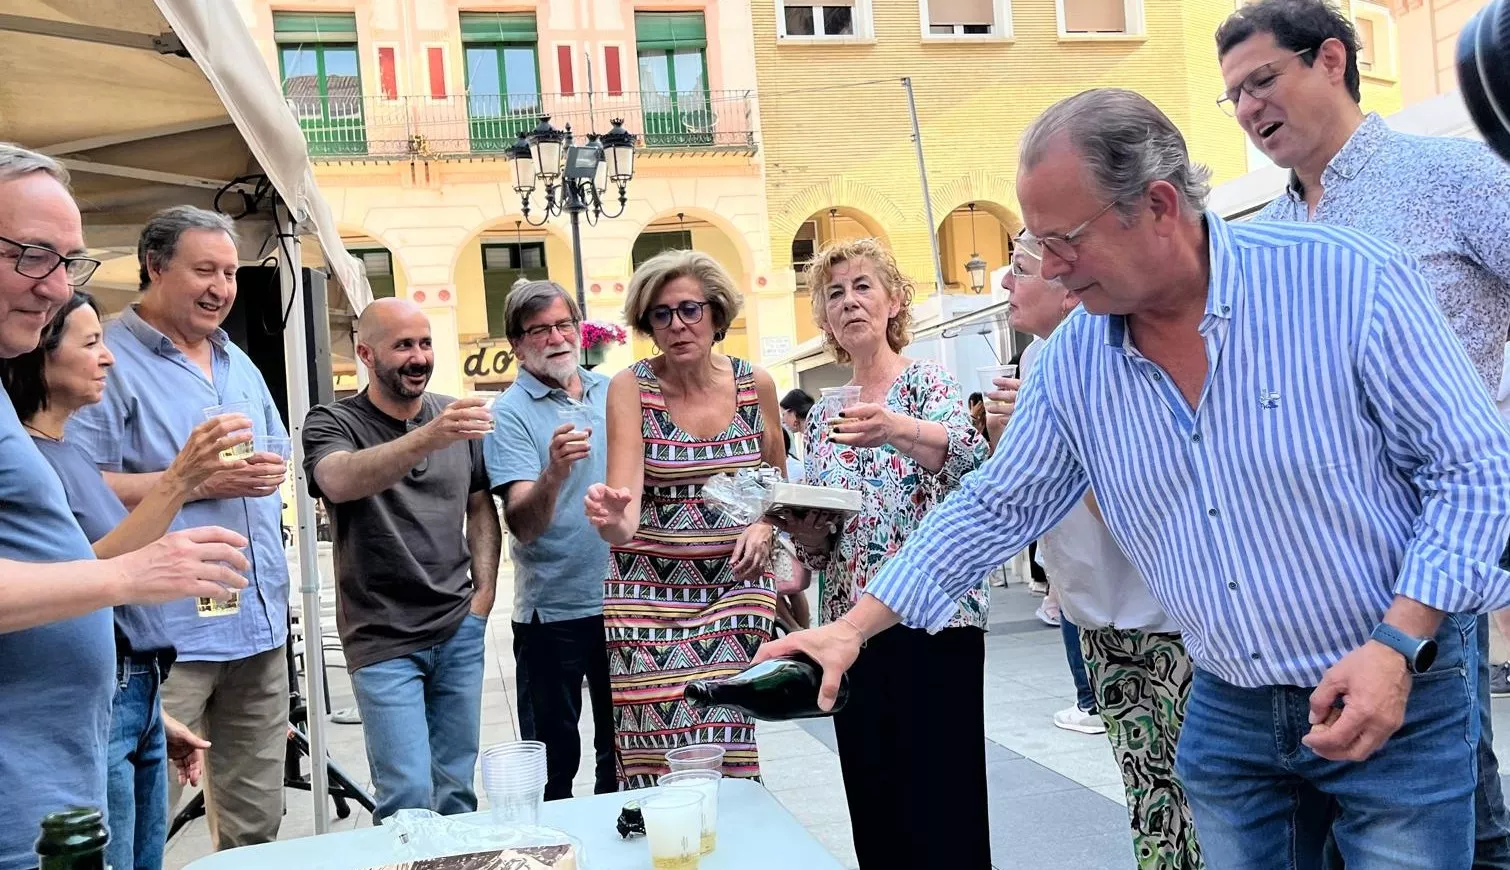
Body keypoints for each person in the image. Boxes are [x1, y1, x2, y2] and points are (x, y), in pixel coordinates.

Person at [760, 89, 1510, 869]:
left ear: (1156, 205)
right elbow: (995, 504)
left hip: (1396, 684)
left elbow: (1475, 470)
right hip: (1232, 708)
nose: (1047, 268)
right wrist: (849, 629)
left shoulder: (1345, 281)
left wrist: (1398, 643)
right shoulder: (1078, 358)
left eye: (1063, 241)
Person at [1214, 2, 1510, 863]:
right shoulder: (1260, 238)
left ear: (1333, 60)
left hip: (1432, 555)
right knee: (1404, 817)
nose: (1248, 109)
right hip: (1307, 572)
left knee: (1442, 819)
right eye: (1233, 96)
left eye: (1263, 80)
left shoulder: (1456, 177)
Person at [0, 144, 246, 870]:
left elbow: (47, 572)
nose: (54, 289)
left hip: (58, 783)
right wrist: (130, 575)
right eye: (33, 255)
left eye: (69, 262)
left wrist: (128, 704)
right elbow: (90, 570)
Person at [68, 205, 292, 849]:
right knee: (142, 823)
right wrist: (194, 480)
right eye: (204, 270)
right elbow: (76, 485)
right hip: (169, 638)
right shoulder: (105, 358)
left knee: (256, 826)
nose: (221, 287)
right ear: (154, 267)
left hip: (258, 626)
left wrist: (262, 472)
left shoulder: (237, 360)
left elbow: (272, 454)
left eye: (229, 272)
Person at [774, 237, 991, 869]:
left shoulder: (927, 383)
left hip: (935, 617)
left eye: (863, 286)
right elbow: (822, 545)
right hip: (850, 622)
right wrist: (805, 529)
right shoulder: (822, 417)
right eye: (834, 293)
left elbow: (974, 465)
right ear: (824, 319)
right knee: (873, 790)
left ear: (894, 299)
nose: (849, 302)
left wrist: (894, 427)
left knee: (943, 797)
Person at [988, 250, 1201, 868]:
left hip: (1169, 620)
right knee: (1145, 792)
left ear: (1068, 291)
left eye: (1022, 267)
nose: (1005, 281)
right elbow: (1021, 498)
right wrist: (1015, 435)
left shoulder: (1126, 352)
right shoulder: (1035, 361)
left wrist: (1061, 430)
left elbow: (1139, 502)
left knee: (1200, 795)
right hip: (1097, 619)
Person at [584, 249, 783, 787]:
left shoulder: (755, 384)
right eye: (661, 314)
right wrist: (610, 517)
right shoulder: (632, 387)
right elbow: (622, 516)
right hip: (647, 592)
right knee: (657, 743)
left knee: (724, 732)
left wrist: (765, 524)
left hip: (734, 586)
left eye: (690, 309)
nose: (677, 325)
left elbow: (775, 484)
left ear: (716, 314)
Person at [302, 297, 500, 821]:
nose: (419, 357)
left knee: (457, 790)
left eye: (425, 343)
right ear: (365, 354)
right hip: (382, 636)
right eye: (403, 345)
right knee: (407, 796)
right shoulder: (332, 421)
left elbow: (480, 506)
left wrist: (483, 596)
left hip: (458, 627)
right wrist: (426, 438)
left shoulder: (452, 414)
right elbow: (338, 480)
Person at [483, 280, 618, 801]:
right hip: (552, 613)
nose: (557, 338)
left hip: (625, 602)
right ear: (516, 344)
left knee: (623, 752)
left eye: (564, 324)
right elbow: (523, 523)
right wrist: (556, 472)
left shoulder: (613, 390)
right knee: (551, 761)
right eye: (539, 330)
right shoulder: (510, 412)